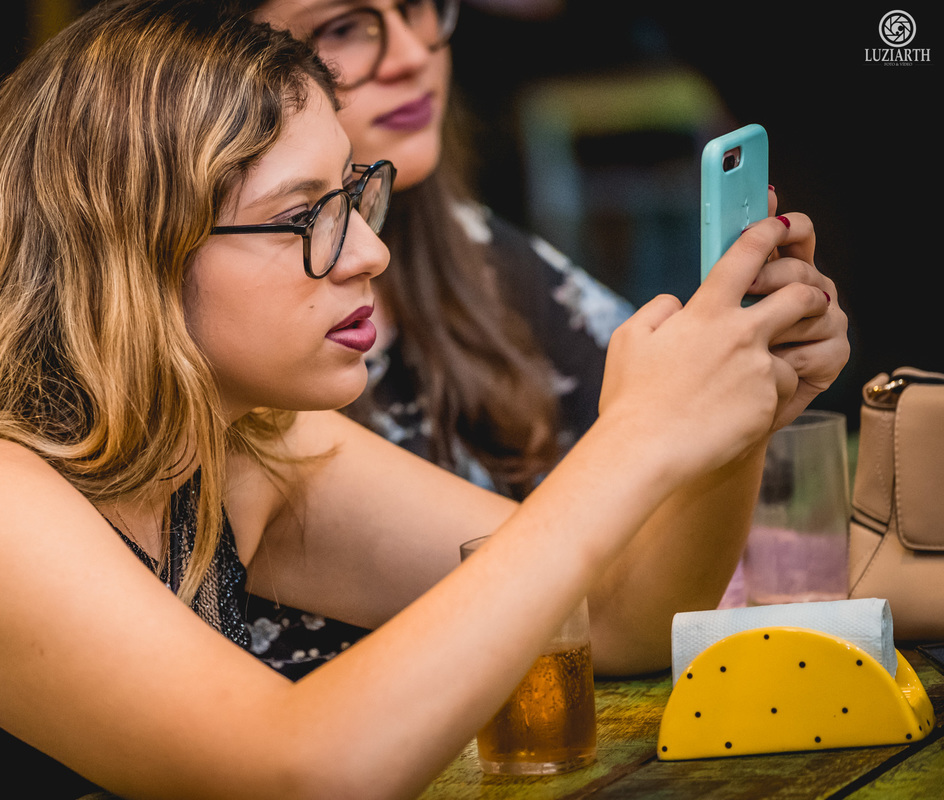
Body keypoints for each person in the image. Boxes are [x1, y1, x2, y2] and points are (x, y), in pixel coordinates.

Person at [0, 1, 846, 797]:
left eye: (354, 196)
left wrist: (725, 423)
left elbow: (620, 622)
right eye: (303, 215)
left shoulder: (243, 447)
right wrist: (630, 442)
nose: (368, 251)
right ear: (134, 251)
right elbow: (307, 771)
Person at [228, 0, 842, 678]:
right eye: (342, 28)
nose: (411, 55)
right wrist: (650, 428)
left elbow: (614, 613)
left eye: (418, 8)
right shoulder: (248, 436)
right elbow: (296, 741)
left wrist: (734, 407)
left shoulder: (477, 259)